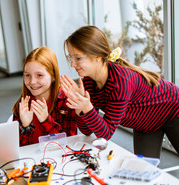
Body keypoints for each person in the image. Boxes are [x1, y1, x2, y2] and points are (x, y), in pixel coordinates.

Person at [61, 25, 179, 158]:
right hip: (147, 123)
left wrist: (87, 107)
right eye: (71, 58)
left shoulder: (120, 82)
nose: (72, 64)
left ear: (97, 56)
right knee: (144, 172)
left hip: (173, 110)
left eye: (78, 58)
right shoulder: (88, 83)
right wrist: (80, 107)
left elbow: (105, 134)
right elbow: (87, 131)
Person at [12, 46, 77, 146]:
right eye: (27, 75)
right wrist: (26, 126)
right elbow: (17, 148)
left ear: (53, 76)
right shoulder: (22, 104)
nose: (32, 81)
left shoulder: (66, 101)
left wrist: (46, 120)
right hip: (32, 160)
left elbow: (69, 143)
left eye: (39, 75)